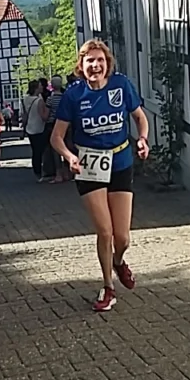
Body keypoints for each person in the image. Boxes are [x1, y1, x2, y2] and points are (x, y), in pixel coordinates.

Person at [51, 40, 150, 312]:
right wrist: (70, 156)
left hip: (120, 161)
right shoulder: (74, 95)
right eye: (89, 61)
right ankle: (108, 286)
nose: (95, 66)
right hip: (89, 165)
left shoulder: (120, 85)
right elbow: (56, 137)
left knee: (122, 238)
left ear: (108, 64)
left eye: (100, 60)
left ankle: (118, 261)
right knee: (104, 231)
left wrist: (142, 139)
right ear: (81, 67)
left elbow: (140, 118)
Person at [44, 75, 69, 183]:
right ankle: (68, 172)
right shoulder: (65, 97)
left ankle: (58, 174)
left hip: (53, 125)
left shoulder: (50, 99)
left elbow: (46, 115)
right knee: (66, 147)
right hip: (66, 124)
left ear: (52, 86)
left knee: (56, 150)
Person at [21, 81, 48, 180]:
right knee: (40, 151)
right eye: (40, 86)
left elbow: (23, 116)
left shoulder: (25, 99)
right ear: (36, 88)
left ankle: (37, 172)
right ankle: (42, 171)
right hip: (39, 128)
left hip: (29, 128)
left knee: (35, 151)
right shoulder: (39, 101)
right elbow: (44, 117)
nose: (42, 87)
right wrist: (48, 109)